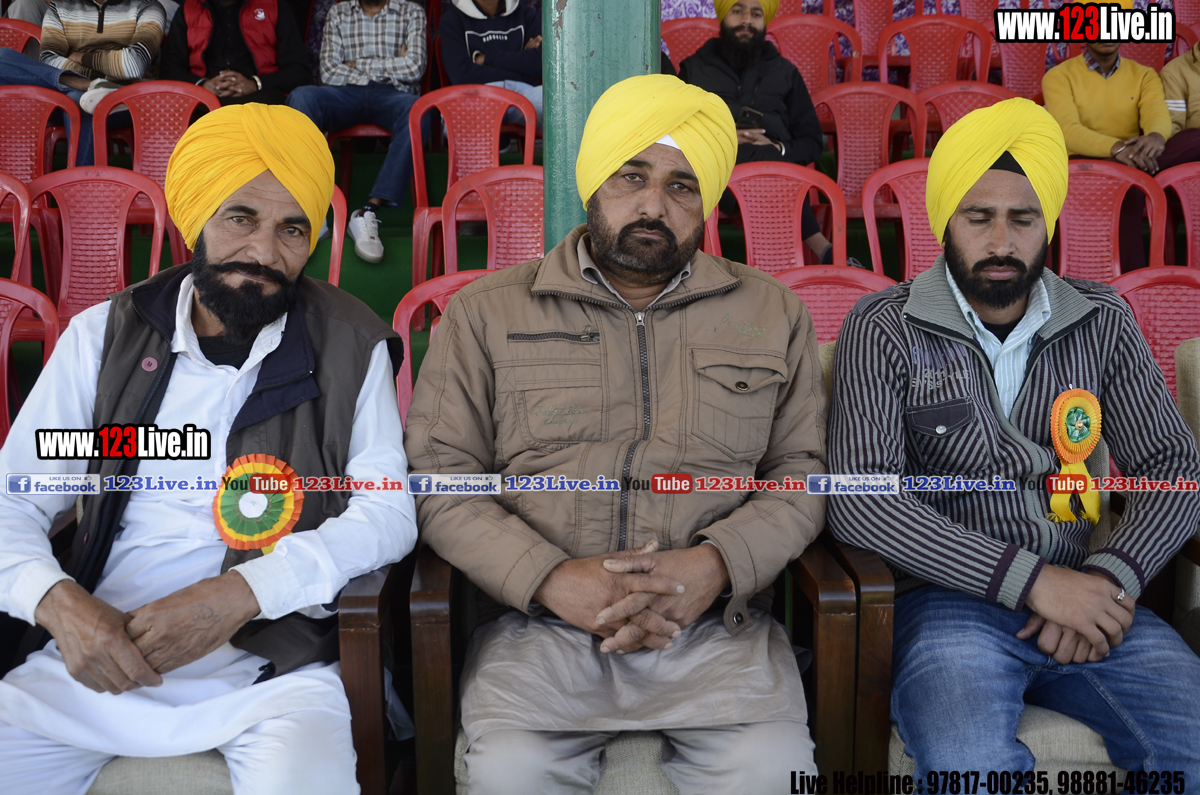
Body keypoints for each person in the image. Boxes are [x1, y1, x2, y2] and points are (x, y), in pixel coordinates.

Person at [405, 74, 826, 795]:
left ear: (707, 203)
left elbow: (803, 476)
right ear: (594, 182)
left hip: (715, 627)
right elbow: (441, 480)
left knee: (776, 775)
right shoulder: (486, 312)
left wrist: (715, 565)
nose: (653, 205)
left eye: (681, 186)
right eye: (632, 177)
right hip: (541, 629)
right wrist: (549, 578)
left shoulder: (772, 313)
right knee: (509, 776)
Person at [0, 103, 418, 795]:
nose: (264, 252)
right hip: (96, 656)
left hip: (272, 670)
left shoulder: (351, 343)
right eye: (240, 218)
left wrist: (243, 592)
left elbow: (386, 512)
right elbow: (16, 496)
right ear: (195, 219)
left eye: (292, 229)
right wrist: (58, 603)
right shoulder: (106, 337)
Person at [828, 97, 1200, 774]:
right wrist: (1033, 583)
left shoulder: (1102, 320)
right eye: (979, 217)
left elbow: (1173, 466)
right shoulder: (883, 327)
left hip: (1089, 592)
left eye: (1023, 219)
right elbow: (862, 499)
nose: (1001, 242)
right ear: (946, 221)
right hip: (947, 603)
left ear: (1047, 223)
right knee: (971, 766)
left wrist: (1110, 578)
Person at [678, 0, 840, 265]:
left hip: (775, 168)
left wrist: (778, 148)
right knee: (765, 160)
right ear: (723, 16)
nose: (747, 20)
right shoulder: (694, 69)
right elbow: (678, 130)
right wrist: (725, 140)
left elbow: (811, 141)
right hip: (716, 168)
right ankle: (822, 248)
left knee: (766, 158)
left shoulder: (785, 72)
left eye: (756, 14)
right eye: (737, 11)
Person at [286, 0, 427, 264]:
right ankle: (310, 206)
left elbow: (414, 67)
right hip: (345, 94)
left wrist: (354, 65)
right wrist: (390, 64)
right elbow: (329, 71)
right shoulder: (338, 12)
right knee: (302, 97)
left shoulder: (411, 11)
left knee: (419, 111)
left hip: (392, 94)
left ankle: (368, 211)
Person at [1042, 40, 1200, 270]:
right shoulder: (1059, 76)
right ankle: (1127, 278)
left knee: (1194, 137)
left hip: (1133, 157)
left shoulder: (1144, 75)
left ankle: (1130, 170)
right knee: (1128, 183)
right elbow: (1068, 131)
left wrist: (1156, 136)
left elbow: (1156, 115)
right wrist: (1117, 149)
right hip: (1083, 161)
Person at [0, 0, 165, 166]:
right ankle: (84, 85)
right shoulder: (60, 7)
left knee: (78, 99)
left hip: (127, 100)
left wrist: (79, 57)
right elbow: (50, 61)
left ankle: (83, 182)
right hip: (65, 99)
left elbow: (132, 65)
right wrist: (103, 74)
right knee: (2, 58)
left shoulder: (149, 8)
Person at [160, 0, 311, 106]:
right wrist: (202, 85)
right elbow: (169, 70)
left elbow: (299, 71)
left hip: (262, 101)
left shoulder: (274, 7)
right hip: (202, 104)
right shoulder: (188, 10)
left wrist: (255, 84)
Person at [439, 0, 542, 129]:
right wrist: (522, 68)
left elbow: (542, 63)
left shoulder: (524, 13)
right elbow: (462, 76)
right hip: (476, 96)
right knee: (453, 116)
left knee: (561, 103)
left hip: (524, 94)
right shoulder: (452, 18)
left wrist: (486, 59)